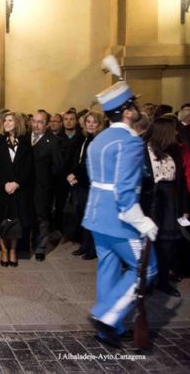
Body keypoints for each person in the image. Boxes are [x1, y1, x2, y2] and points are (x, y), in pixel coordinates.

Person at [84, 72, 158, 348]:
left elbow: (98, 180)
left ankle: (108, 329)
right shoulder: (130, 142)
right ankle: (106, 315)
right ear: (127, 112)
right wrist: (143, 223)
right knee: (146, 268)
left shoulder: (99, 139)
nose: (137, 109)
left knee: (109, 268)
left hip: (95, 216)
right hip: (119, 219)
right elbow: (125, 192)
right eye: (134, 106)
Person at [141, 117, 189, 297]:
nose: (177, 133)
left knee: (168, 244)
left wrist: (184, 206)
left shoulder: (174, 151)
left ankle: (162, 280)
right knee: (149, 243)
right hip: (151, 199)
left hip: (171, 200)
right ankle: (146, 281)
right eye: (173, 130)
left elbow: (181, 181)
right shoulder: (143, 149)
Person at [0, 112, 34, 268]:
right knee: (2, 220)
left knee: (15, 221)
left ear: (17, 123)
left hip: (18, 189)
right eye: (4, 120)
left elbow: (28, 167)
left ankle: (13, 250)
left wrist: (17, 183)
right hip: (0, 188)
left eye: (10, 120)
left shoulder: (25, 143)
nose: (6, 123)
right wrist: (4, 183)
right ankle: (4, 250)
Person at [68, 111, 105, 260]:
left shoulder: (99, 140)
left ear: (100, 124)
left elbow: (89, 162)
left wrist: (74, 173)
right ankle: (85, 245)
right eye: (88, 121)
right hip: (82, 182)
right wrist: (72, 174)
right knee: (83, 214)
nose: (90, 124)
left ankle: (93, 248)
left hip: (92, 183)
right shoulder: (86, 138)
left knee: (93, 216)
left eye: (94, 122)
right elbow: (78, 159)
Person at [30, 111, 63, 261]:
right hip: (25, 186)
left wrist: (47, 182)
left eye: (40, 122)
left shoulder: (53, 141)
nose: (36, 125)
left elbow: (58, 167)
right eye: (34, 121)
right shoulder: (24, 138)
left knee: (42, 218)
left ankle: (40, 247)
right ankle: (25, 245)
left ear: (47, 124)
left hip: (42, 187)